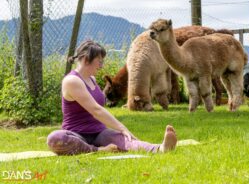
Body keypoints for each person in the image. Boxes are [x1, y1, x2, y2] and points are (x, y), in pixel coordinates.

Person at [47, 40, 177, 155]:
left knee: (125, 139)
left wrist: (122, 132)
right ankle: (97, 150)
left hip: (99, 133)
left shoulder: (91, 79)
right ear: (87, 60)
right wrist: (121, 127)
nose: (101, 65)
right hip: (76, 135)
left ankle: (160, 149)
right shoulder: (71, 81)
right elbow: (96, 110)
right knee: (55, 138)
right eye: (99, 61)